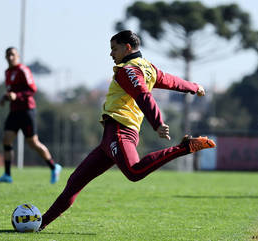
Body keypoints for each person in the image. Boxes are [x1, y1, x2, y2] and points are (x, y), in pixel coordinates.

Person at [38, 30, 216, 231]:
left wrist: (157, 122)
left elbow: (143, 95)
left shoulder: (128, 70)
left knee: (134, 171)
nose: (111, 54)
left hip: (120, 131)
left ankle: (184, 148)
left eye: (114, 49)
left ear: (127, 47)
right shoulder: (148, 68)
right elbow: (172, 81)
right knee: (75, 181)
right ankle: (39, 224)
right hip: (110, 137)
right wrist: (194, 86)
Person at [0, 47, 62, 184]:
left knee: (33, 143)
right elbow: (11, 91)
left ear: (17, 56)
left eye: (12, 54)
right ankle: (7, 175)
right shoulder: (8, 72)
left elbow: (32, 89)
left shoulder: (23, 70)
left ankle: (54, 167)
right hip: (14, 111)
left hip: (27, 111)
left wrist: (16, 96)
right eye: (8, 55)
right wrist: (4, 98)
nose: (10, 57)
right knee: (7, 140)